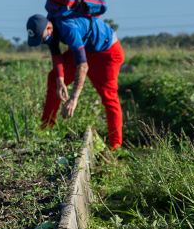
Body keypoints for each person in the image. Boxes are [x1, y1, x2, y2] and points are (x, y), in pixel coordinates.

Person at [26, 13, 124, 149]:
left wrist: (73, 98)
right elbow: (56, 56)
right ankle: (46, 130)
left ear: (49, 27)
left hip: (105, 53)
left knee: (109, 97)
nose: (42, 42)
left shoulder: (69, 29)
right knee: (53, 78)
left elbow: (83, 65)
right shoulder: (50, 31)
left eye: (41, 39)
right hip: (82, 50)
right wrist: (60, 82)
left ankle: (115, 146)